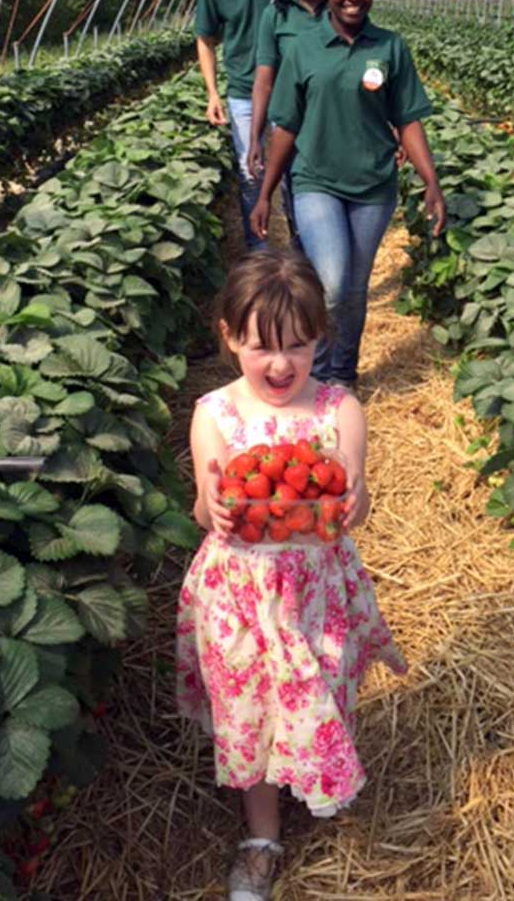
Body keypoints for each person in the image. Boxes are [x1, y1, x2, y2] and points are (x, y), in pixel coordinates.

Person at [176, 249, 405, 901]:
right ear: (228, 337)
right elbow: (205, 503)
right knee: (249, 709)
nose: (280, 365)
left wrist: (354, 495)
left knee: (313, 694)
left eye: (298, 347)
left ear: (319, 340)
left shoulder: (338, 411)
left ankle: (304, 772)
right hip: (240, 592)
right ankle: (262, 836)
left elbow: (352, 499)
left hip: (313, 590)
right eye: (261, 347)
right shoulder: (214, 412)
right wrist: (216, 503)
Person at [249, 0, 446, 390]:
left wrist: (430, 181)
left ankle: (342, 377)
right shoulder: (302, 48)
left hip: (374, 186)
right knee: (332, 283)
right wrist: (264, 195)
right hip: (317, 180)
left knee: (355, 291)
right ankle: (315, 373)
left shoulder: (391, 47)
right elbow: (286, 129)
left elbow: (409, 120)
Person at [194, 0, 277, 251]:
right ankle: (259, 256)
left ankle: (302, 254)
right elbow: (205, 40)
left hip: (290, 88)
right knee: (250, 176)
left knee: (296, 175)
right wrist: (212, 93)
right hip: (243, 92)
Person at [246, 0, 330, 244]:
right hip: (292, 136)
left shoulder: (340, 7)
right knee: (301, 225)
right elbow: (264, 80)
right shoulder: (276, 15)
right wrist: (255, 137)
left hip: (336, 127)